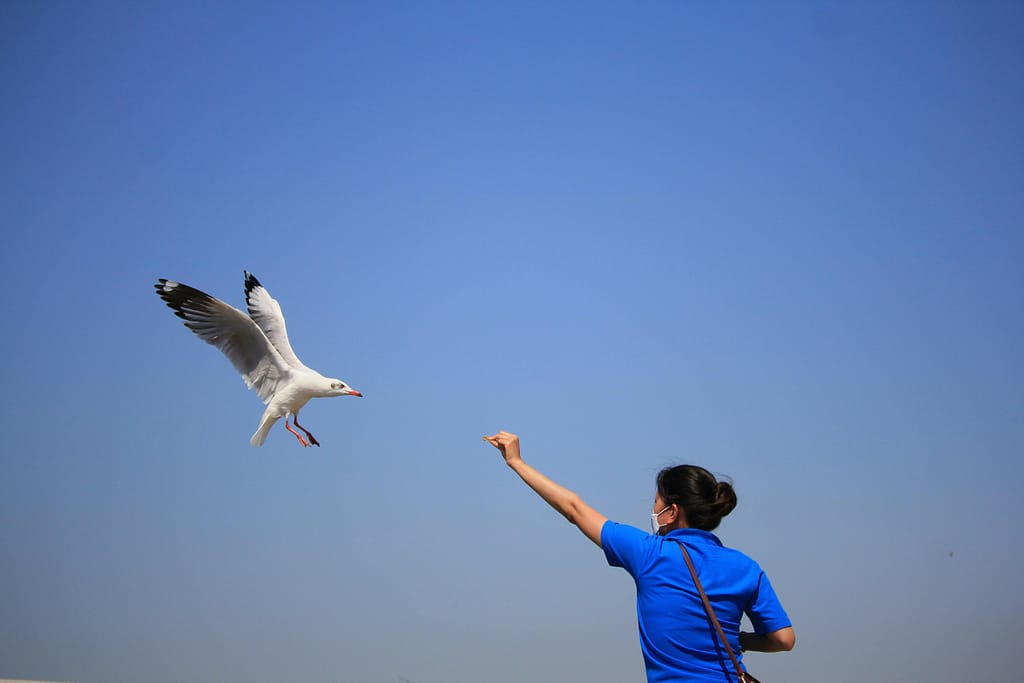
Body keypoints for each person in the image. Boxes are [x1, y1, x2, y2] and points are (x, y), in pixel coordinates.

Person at [482, 431, 795, 683]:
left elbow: (574, 509)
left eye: (656, 502)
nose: (653, 509)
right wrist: (740, 640)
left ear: (672, 512)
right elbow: (783, 639)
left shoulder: (650, 554)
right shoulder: (746, 567)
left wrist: (516, 462)